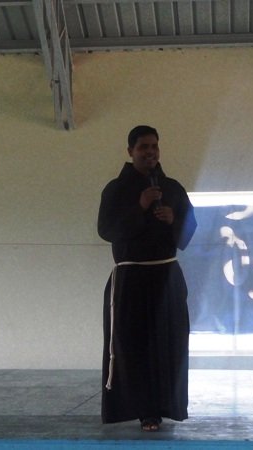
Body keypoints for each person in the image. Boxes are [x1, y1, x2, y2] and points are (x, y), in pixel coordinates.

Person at [98, 125, 197, 431]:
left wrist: (174, 220)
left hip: (166, 276)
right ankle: (144, 410)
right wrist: (140, 207)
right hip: (131, 278)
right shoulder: (116, 189)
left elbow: (189, 232)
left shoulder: (173, 188)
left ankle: (167, 405)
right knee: (134, 345)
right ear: (131, 151)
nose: (150, 152)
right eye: (143, 147)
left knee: (169, 343)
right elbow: (106, 230)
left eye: (154, 146)